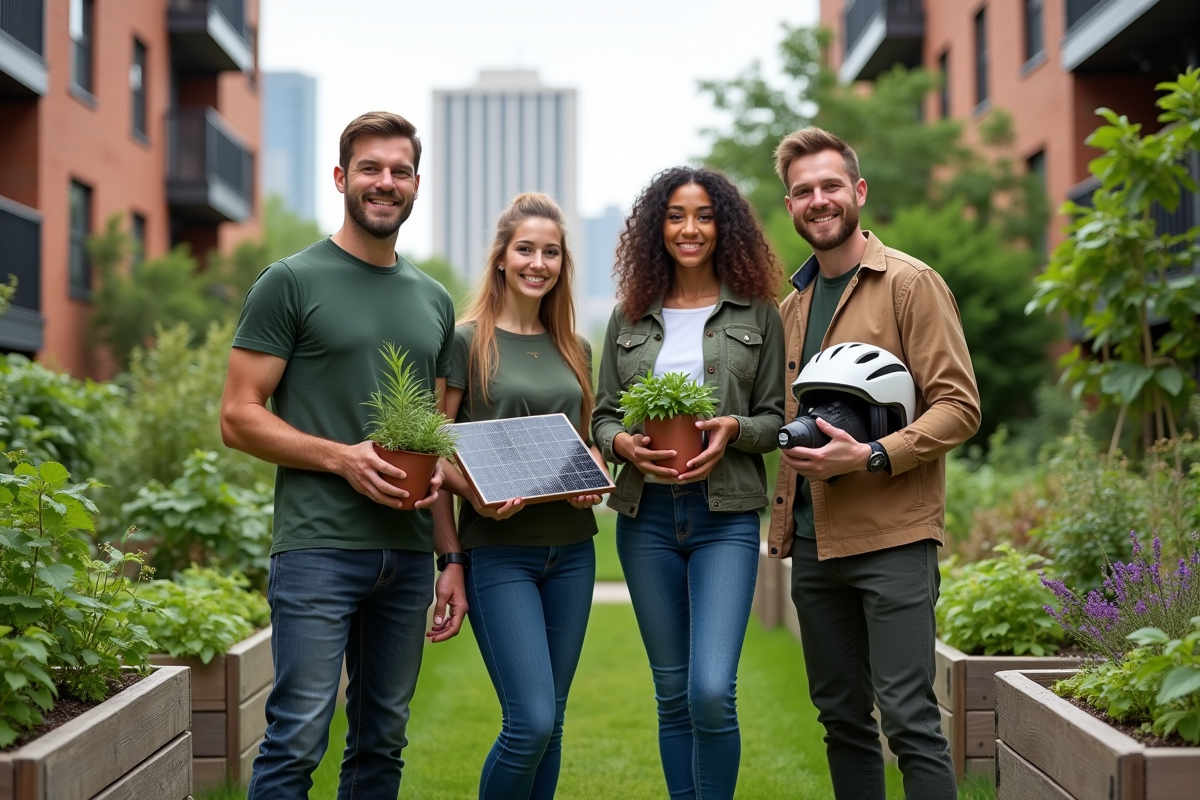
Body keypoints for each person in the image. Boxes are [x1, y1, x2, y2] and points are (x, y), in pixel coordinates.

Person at [220, 111, 467, 800]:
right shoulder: (290, 281)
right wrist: (340, 458)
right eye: (370, 168)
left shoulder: (434, 301)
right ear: (341, 177)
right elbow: (238, 417)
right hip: (318, 549)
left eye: (399, 170)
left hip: (411, 557)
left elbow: (433, 443)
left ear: (417, 184)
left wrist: (451, 559)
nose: (385, 182)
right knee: (297, 735)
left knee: (382, 740)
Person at [767, 126, 981, 800]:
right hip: (812, 542)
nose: (819, 200)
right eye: (803, 191)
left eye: (831, 185)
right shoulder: (791, 309)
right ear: (791, 205)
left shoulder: (910, 285)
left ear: (858, 191)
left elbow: (959, 405)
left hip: (893, 539)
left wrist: (874, 454)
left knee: (911, 720)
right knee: (841, 722)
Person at [592, 167, 785, 800]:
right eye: (676, 215)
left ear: (723, 225)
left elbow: (777, 417)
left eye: (703, 215)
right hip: (644, 517)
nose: (690, 228)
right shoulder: (630, 315)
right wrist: (621, 443)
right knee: (672, 692)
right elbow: (603, 413)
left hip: (724, 515)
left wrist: (734, 428)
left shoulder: (758, 311)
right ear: (657, 227)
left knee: (710, 689)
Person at [438, 192, 608, 800]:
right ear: (503, 258)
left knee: (552, 727)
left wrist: (592, 466)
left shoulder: (576, 349)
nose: (539, 262)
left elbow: (585, 443)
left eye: (552, 252)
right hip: (498, 555)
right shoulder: (465, 341)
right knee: (529, 721)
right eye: (527, 249)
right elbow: (432, 451)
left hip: (572, 552)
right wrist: (458, 541)